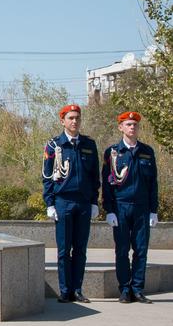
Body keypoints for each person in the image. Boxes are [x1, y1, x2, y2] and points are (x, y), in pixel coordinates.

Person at [42, 104, 100, 303]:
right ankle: (65, 290)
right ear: (63, 121)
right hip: (63, 201)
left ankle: (77, 290)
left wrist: (94, 202)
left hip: (83, 202)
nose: (75, 121)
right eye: (71, 118)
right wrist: (50, 204)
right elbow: (47, 177)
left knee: (81, 250)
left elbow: (94, 177)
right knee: (64, 250)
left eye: (77, 118)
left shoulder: (88, 145)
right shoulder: (54, 145)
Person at [102, 110, 158, 304]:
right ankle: (125, 289)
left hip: (142, 208)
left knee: (141, 250)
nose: (132, 127)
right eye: (128, 124)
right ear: (121, 127)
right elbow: (107, 183)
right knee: (122, 250)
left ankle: (138, 289)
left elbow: (153, 183)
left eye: (135, 124)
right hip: (121, 207)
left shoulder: (147, 151)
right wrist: (109, 210)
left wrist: (153, 210)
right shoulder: (112, 152)